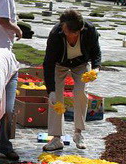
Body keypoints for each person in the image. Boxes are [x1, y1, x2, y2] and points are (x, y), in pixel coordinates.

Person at [43, 9, 102, 151]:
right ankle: (56, 138)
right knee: (56, 97)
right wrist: (50, 90)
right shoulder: (56, 34)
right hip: (59, 64)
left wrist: (96, 69)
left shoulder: (90, 30)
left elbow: (96, 52)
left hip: (81, 63)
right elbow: (48, 63)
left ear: (79, 30)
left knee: (81, 93)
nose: (66, 34)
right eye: (64, 30)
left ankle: (78, 133)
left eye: (69, 33)